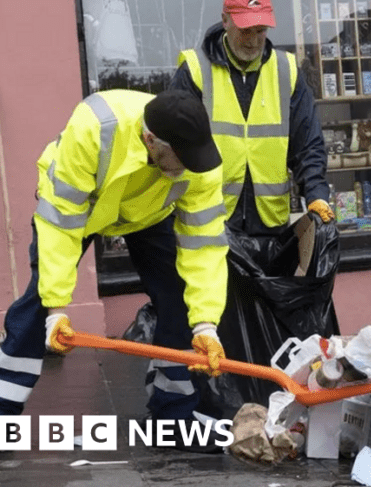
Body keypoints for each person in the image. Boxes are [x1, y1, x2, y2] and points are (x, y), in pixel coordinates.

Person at [0, 89, 229, 452]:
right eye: (180, 159)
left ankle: (174, 419)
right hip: (82, 208)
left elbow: (204, 248)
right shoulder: (94, 128)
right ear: (151, 140)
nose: (189, 168)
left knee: (179, 300)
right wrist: (57, 309)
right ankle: (2, 414)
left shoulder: (199, 160)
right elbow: (60, 224)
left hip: (147, 214)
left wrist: (206, 324)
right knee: (37, 306)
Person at [168, 0, 335, 236]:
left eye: (261, 31)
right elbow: (170, 144)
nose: (254, 41)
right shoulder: (195, 71)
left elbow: (308, 144)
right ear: (225, 21)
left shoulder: (286, 71)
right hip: (209, 221)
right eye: (245, 31)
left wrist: (316, 195)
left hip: (270, 224)